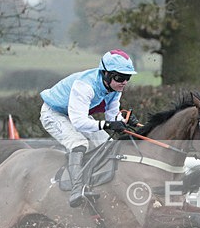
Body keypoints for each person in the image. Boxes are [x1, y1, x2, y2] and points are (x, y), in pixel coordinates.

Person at [40, 49, 139, 207]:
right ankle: (76, 189)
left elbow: (112, 116)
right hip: (54, 114)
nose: (124, 82)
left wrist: (125, 121)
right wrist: (108, 124)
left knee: (108, 145)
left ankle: (97, 183)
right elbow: (79, 122)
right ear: (106, 74)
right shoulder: (85, 86)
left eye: (127, 78)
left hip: (76, 115)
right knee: (79, 144)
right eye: (120, 77)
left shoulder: (115, 89)